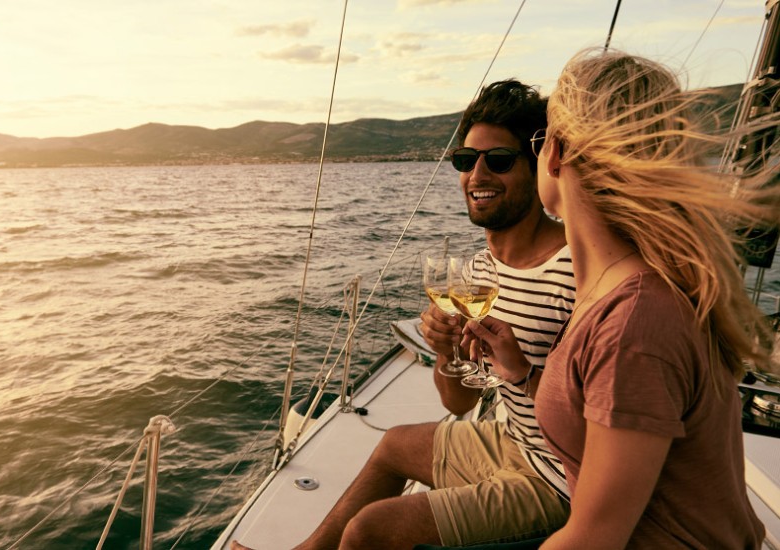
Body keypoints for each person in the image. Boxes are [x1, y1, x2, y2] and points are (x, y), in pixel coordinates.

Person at [233, 79, 576, 550]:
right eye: (465, 160)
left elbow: (599, 424)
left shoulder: (575, 272)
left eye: (498, 160)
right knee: (394, 444)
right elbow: (457, 404)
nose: (477, 175)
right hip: (513, 442)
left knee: (371, 531)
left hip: (562, 477)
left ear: (540, 167)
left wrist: (519, 372)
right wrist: (444, 352)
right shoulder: (475, 273)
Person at [470, 48, 777, 548]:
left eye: (540, 137)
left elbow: (593, 539)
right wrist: (521, 371)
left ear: (557, 151)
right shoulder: (618, 289)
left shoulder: (634, 319)